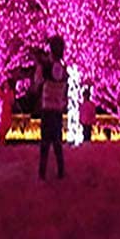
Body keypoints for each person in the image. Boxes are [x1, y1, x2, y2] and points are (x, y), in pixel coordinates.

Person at [35, 37, 68, 179]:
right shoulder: (63, 69)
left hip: (47, 108)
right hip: (58, 109)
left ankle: (42, 173)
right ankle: (61, 171)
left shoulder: (45, 68)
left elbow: (37, 82)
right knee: (57, 142)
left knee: (45, 143)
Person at [0, 78, 15, 145]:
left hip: (7, 112)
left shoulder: (9, 93)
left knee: (5, 127)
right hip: (3, 112)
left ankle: (1, 143)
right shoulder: (4, 94)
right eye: (5, 85)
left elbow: (12, 101)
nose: (6, 86)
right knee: (2, 130)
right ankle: (1, 143)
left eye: (7, 85)